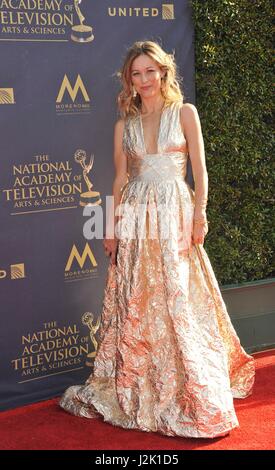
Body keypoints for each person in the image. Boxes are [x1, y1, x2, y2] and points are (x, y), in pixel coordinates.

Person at [59, 40, 255, 438]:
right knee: (136, 297)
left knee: (177, 295)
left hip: (174, 212)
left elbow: (199, 172)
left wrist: (199, 215)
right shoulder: (124, 125)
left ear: (164, 72)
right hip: (135, 215)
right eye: (137, 73)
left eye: (151, 71)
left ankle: (191, 386)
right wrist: (111, 228)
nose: (145, 79)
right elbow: (119, 178)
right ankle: (139, 382)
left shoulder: (185, 113)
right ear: (128, 79)